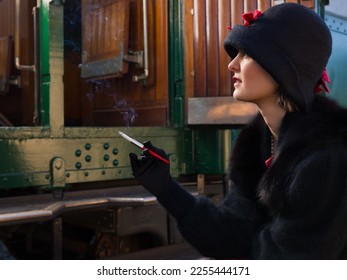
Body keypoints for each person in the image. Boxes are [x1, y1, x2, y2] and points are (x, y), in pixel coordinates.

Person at [129, 3, 347, 259]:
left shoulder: (327, 162)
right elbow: (235, 237)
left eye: (247, 54)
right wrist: (166, 188)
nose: (232, 64)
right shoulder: (258, 148)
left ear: (284, 69)